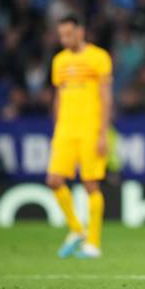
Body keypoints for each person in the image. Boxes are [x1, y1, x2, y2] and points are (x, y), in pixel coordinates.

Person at [46, 15, 113, 259]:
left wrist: (103, 133)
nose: (65, 39)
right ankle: (76, 230)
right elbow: (59, 97)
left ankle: (93, 244)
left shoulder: (99, 57)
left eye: (69, 34)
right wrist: (56, 128)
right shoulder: (59, 61)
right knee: (53, 180)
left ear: (80, 32)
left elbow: (106, 96)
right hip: (65, 129)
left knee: (90, 184)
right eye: (61, 35)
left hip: (90, 129)